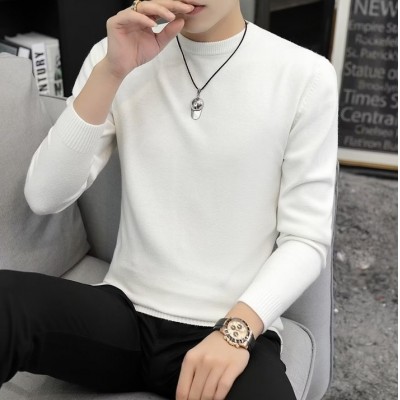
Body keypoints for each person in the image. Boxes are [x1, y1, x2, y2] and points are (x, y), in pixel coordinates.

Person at [0, 0, 338, 398]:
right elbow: (44, 196)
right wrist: (111, 71)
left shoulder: (305, 75)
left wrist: (236, 331)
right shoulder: (114, 56)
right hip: (124, 318)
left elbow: (305, 239)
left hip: (229, 329)